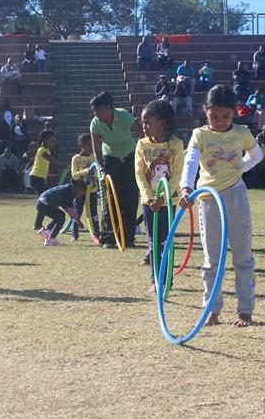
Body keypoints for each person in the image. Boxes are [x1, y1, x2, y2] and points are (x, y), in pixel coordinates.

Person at [179, 85, 263, 327]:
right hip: (208, 199)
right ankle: (212, 310)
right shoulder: (200, 135)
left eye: (225, 116)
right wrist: (187, 188)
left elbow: (256, 155)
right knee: (212, 258)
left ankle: (245, 311)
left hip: (236, 195)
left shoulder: (242, 132)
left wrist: (240, 168)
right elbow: (191, 161)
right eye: (213, 116)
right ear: (206, 112)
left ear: (234, 113)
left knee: (242, 256)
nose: (219, 121)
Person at [135, 99, 184, 291]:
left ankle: (166, 280)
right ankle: (155, 280)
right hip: (149, 202)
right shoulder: (141, 144)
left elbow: (177, 174)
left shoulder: (176, 145)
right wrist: (149, 198)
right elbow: (139, 174)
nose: (144, 126)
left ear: (162, 122)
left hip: (167, 201)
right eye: (142, 122)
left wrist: (163, 197)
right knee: (153, 241)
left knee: (165, 241)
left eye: (148, 122)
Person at [90, 92, 142, 249]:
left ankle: (128, 238)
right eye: (94, 111)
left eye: (98, 110)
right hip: (110, 159)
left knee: (130, 196)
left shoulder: (124, 116)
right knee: (110, 198)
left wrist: (141, 153)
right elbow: (97, 151)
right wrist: (102, 170)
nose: (96, 114)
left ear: (108, 108)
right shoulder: (95, 124)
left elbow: (141, 132)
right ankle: (109, 237)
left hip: (130, 156)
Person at [35, 179, 87, 247]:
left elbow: (64, 206)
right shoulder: (69, 192)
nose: (80, 196)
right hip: (43, 204)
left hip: (41, 203)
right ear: (78, 188)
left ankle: (47, 230)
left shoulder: (68, 188)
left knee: (61, 215)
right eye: (81, 193)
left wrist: (70, 214)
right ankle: (51, 239)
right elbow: (71, 210)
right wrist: (79, 222)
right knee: (60, 218)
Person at [70, 133, 100, 244]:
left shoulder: (94, 157)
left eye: (91, 145)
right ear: (81, 145)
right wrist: (86, 171)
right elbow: (74, 174)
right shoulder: (76, 158)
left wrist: (94, 175)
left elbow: (97, 172)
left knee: (93, 213)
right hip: (79, 192)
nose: (90, 148)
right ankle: (74, 234)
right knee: (77, 211)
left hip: (92, 190)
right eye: (88, 145)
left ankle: (97, 234)